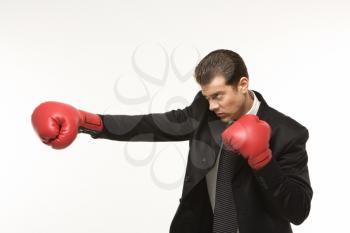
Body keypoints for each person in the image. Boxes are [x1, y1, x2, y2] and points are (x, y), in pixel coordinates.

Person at [31, 49, 313, 233]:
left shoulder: (288, 133)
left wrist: (262, 160)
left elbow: (298, 211)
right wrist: (89, 120)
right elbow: (156, 125)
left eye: (218, 96)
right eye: (206, 97)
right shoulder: (205, 109)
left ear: (242, 84)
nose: (212, 106)